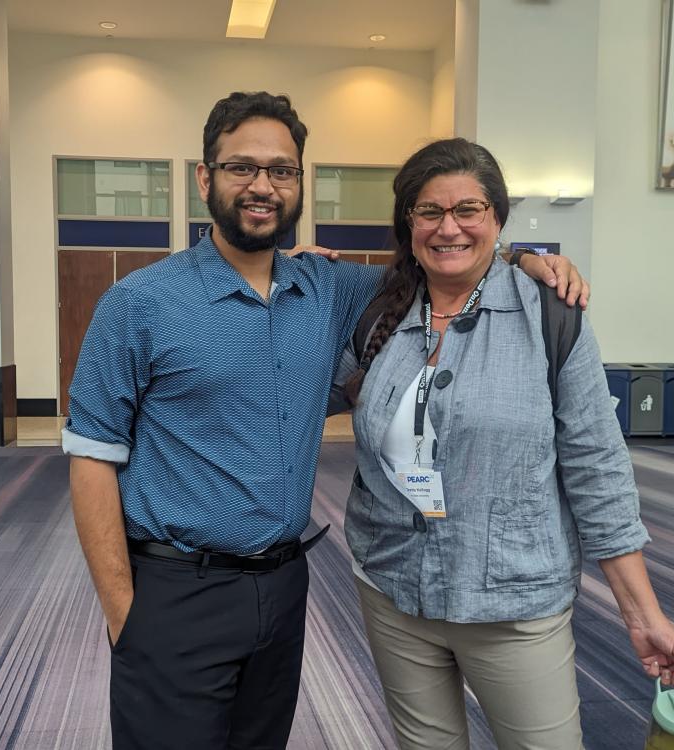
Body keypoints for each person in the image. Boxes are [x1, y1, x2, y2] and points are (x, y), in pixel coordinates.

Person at [63, 92, 586, 750]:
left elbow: (440, 256)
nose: (262, 185)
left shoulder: (331, 288)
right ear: (205, 178)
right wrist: (125, 618)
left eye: (282, 170)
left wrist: (526, 258)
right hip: (175, 592)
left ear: (299, 183)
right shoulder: (137, 304)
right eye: (241, 168)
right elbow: (90, 459)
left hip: (283, 588)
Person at [333, 137, 674, 750]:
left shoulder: (551, 315)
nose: (449, 227)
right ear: (409, 224)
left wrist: (642, 612)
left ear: (496, 218)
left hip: (512, 598)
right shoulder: (377, 313)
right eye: (430, 211)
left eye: (467, 210)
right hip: (393, 585)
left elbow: (597, 467)